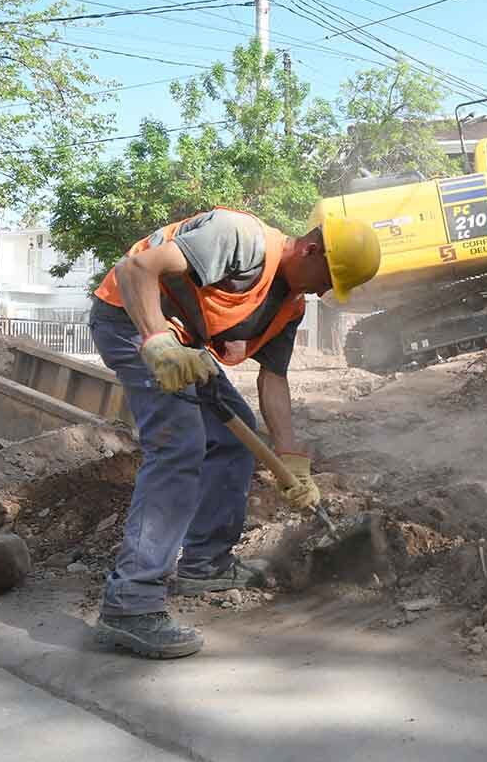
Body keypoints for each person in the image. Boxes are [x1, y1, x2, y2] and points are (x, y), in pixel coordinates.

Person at [88, 207, 380, 659]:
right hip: (129, 320)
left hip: (181, 342)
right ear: (311, 248)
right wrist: (157, 341)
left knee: (231, 442)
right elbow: (136, 269)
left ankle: (205, 564)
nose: (325, 291)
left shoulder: (290, 306)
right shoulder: (241, 238)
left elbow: (274, 379)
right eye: (329, 277)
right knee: (179, 448)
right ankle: (131, 602)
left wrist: (290, 460)